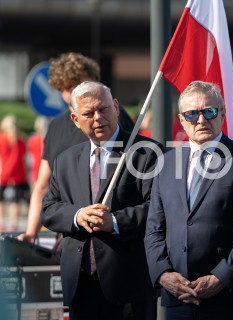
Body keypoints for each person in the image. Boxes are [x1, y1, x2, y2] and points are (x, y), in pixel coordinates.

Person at [41, 81, 163, 320]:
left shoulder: (147, 153)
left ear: (116, 107)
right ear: (76, 119)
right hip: (81, 284)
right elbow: (49, 208)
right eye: (88, 113)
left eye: (103, 109)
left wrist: (115, 222)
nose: (98, 117)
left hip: (129, 283)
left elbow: (159, 209)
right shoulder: (65, 160)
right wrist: (78, 216)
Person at [144, 81, 233, 320]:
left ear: (222, 114)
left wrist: (222, 276)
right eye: (192, 114)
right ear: (182, 120)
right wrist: (163, 274)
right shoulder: (166, 163)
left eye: (209, 111)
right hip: (177, 298)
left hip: (228, 298)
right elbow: (154, 228)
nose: (201, 120)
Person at [17, 52, 134, 244]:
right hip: (71, 240)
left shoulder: (113, 119)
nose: (72, 92)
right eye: (65, 88)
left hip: (113, 239)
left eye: (77, 84)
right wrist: (31, 232)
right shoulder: (56, 127)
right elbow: (42, 185)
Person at [0, 115, 29, 232]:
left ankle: (1, 223)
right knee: (16, 202)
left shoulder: (2, 139)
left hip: (3, 174)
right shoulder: (21, 141)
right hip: (18, 175)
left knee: (1, 200)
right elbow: (24, 160)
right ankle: (13, 224)